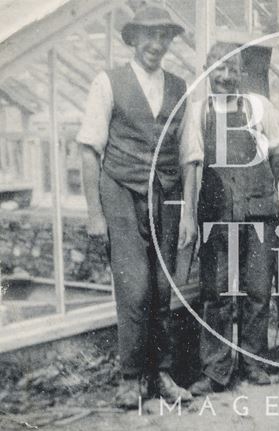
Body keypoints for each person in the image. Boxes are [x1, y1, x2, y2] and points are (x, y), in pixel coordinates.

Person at [77, 5, 198, 408]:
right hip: (121, 192)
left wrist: (189, 213)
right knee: (135, 287)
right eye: (149, 36)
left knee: (163, 287)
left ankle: (160, 373)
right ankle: (130, 377)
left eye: (164, 36)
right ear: (133, 39)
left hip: (165, 194)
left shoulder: (181, 87)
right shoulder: (108, 82)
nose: (156, 44)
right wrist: (95, 214)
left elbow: (190, 157)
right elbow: (90, 150)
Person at [186, 43, 279, 394]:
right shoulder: (198, 112)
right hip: (217, 213)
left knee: (258, 289)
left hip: (259, 212)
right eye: (219, 69)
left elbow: (276, 157)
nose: (226, 76)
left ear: (242, 72)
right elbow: (193, 166)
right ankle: (216, 370)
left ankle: (253, 362)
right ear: (207, 71)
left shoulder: (260, 107)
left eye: (233, 69)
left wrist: (260, 196)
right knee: (216, 293)